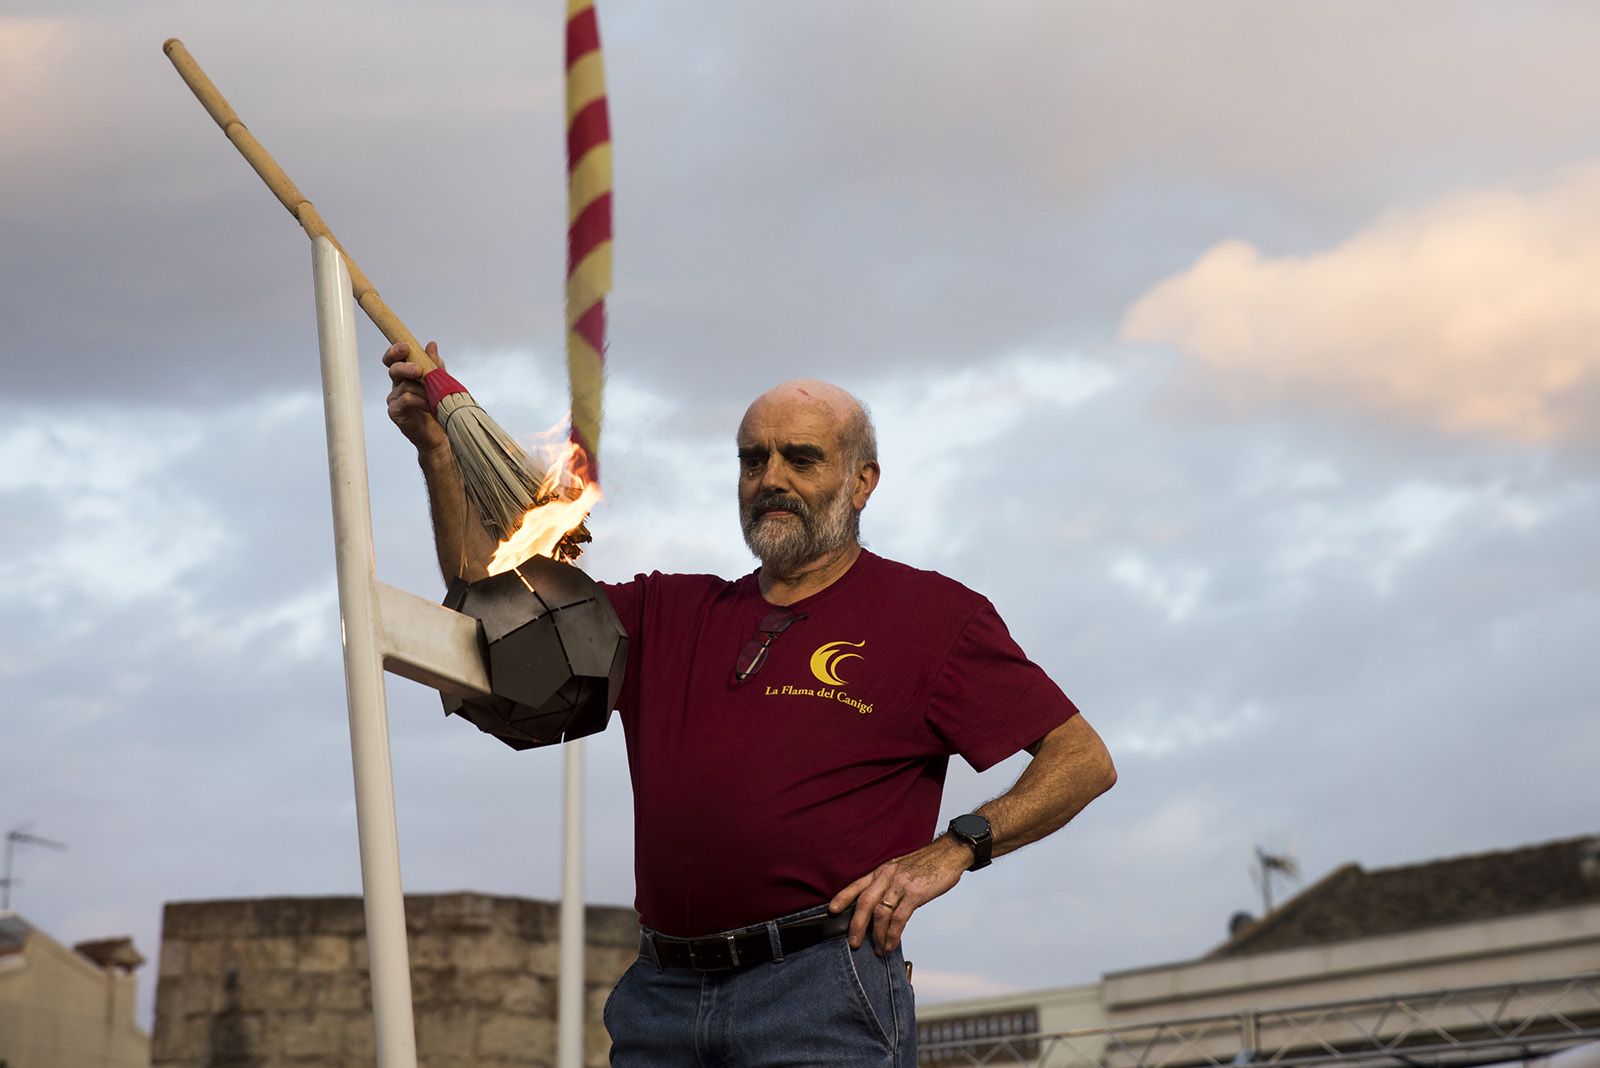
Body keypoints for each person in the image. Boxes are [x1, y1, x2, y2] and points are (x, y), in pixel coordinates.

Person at [384, 342, 1117, 1068]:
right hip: (661, 999)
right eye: (752, 459)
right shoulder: (669, 608)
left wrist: (956, 848)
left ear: (862, 482)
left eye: (801, 459)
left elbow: (1082, 760)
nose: (771, 479)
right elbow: (499, 617)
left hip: (821, 993)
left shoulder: (933, 616)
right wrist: (441, 458)